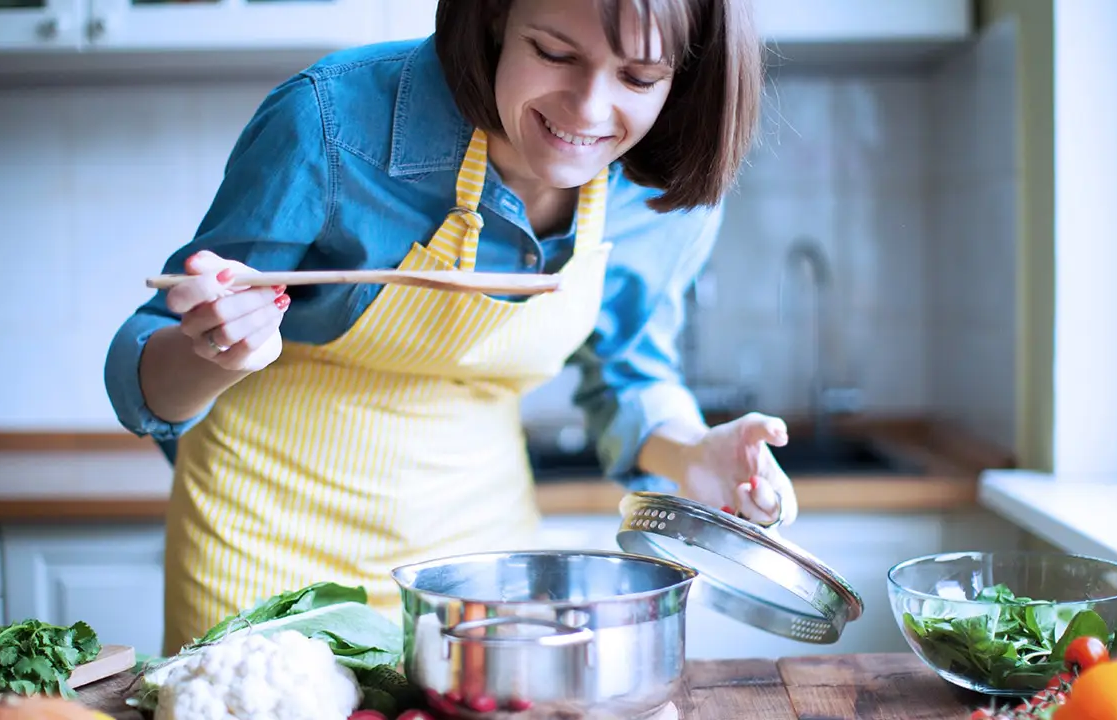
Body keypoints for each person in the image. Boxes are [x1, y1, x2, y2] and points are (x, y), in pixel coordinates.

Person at [104, 0, 800, 656]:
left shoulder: (660, 195)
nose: (589, 109)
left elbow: (629, 373)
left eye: (639, 77)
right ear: (496, 14)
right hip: (259, 550)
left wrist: (695, 455)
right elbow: (143, 380)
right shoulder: (333, 120)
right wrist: (219, 349)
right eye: (554, 53)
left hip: (476, 566)